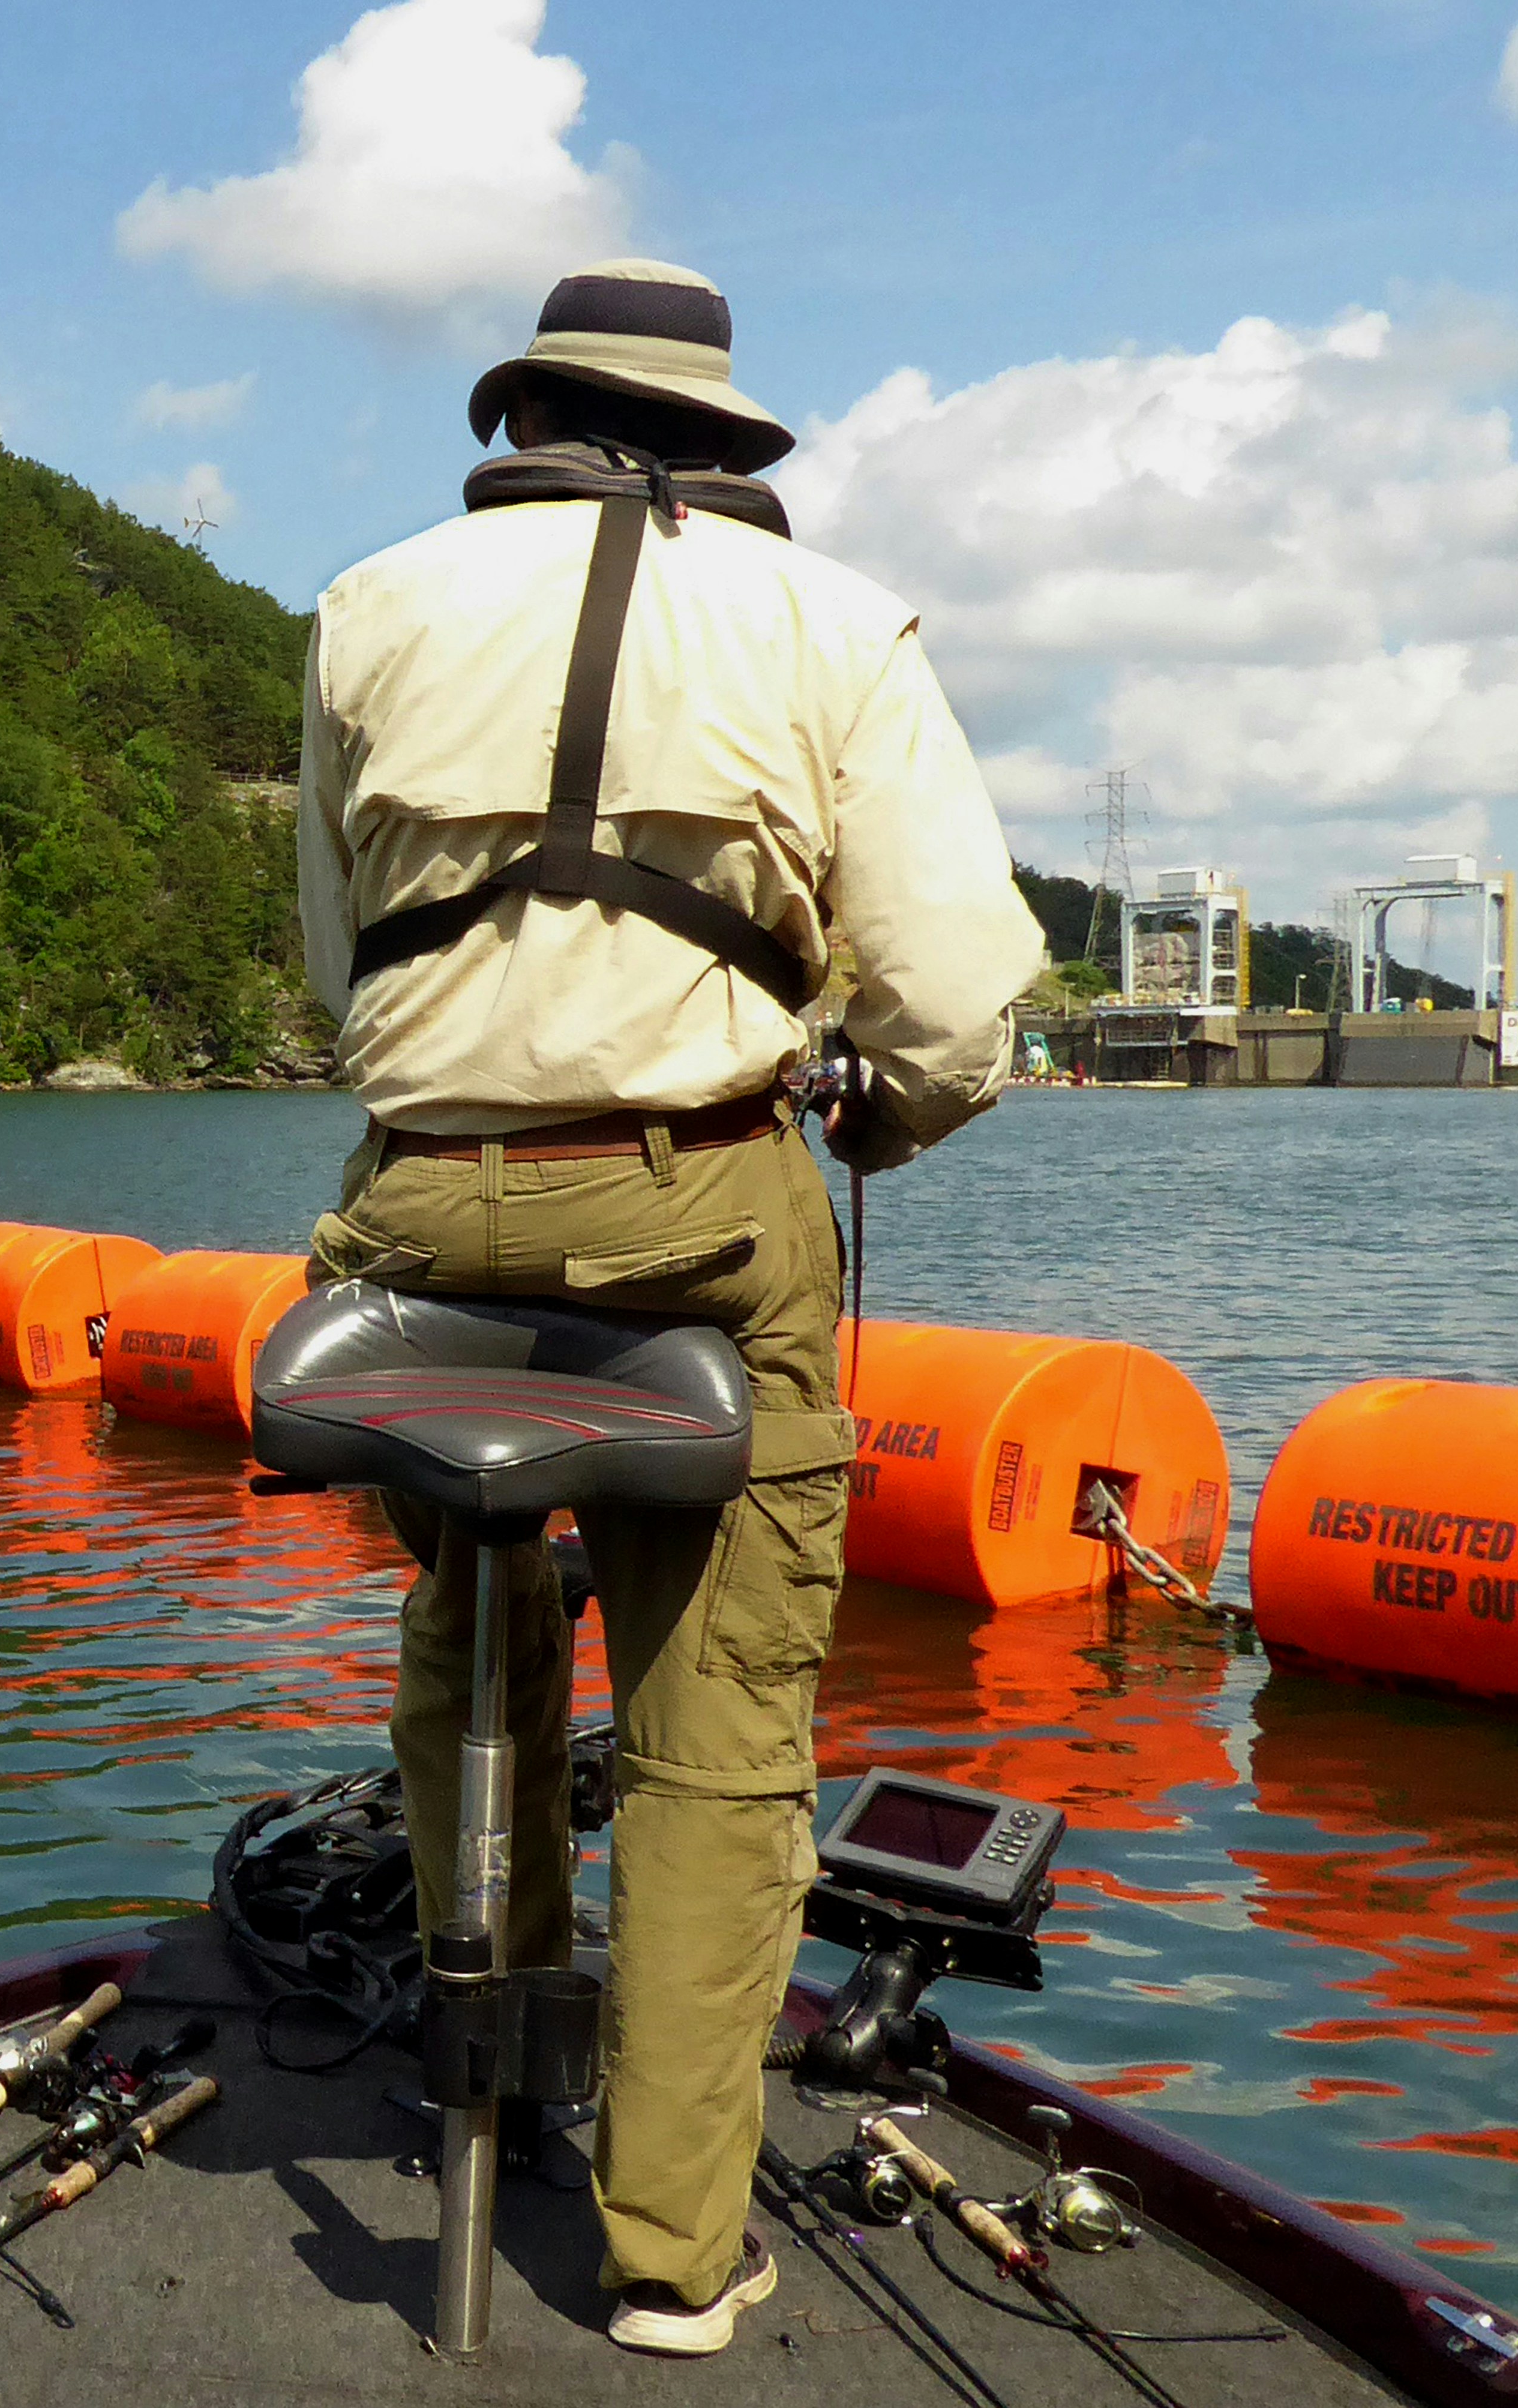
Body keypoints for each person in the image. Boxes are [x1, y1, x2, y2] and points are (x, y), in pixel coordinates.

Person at [293, 259, 1045, 2356]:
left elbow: (335, 954)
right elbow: (965, 1002)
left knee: (475, 1644)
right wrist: (872, 1116)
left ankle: (498, 2075)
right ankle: (670, 2260)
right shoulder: (830, 622)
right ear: (723, 444)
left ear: (526, 419)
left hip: (425, 1223)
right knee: (718, 1747)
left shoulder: (367, 605)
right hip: (706, 1208)